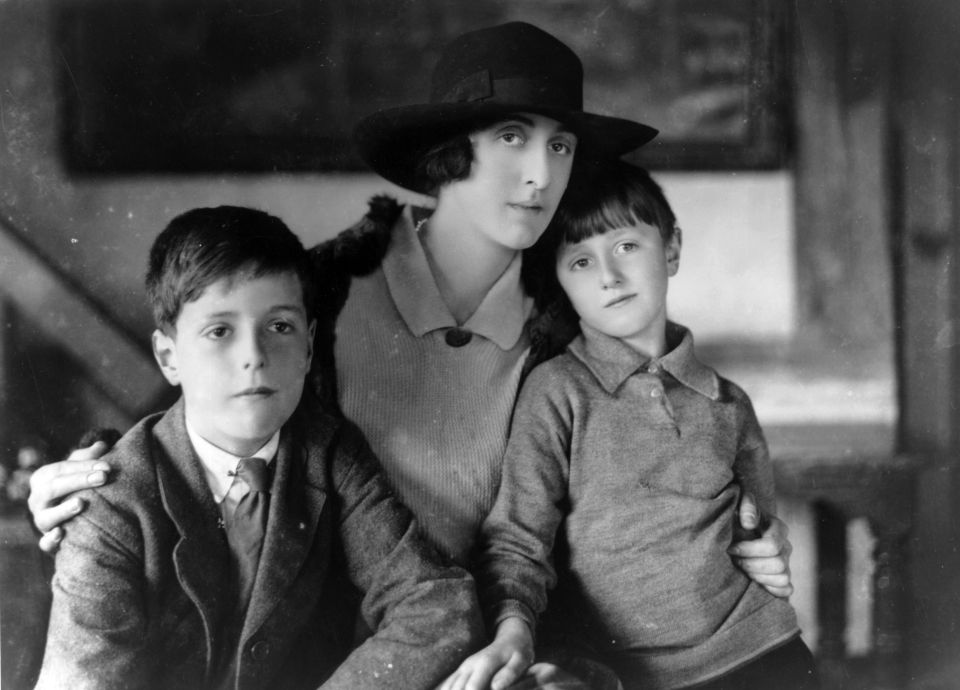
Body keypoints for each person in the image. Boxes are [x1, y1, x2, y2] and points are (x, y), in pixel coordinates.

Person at [28, 21, 794, 685]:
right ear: (447, 151)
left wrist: (750, 531)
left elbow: (648, 459)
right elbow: (215, 397)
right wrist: (88, 472)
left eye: (559, 145)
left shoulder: (569, 322)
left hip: (499, 646)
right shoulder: (330, 284)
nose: (540, 174)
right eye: (512, 138)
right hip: (333, 654)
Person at [34, 206, 483, 690]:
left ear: (309, 347)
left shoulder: (329, 452)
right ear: (168, 357)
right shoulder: (111, 500)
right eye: (219, 331)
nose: (254, 357)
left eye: (280, 327)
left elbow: (438, 605)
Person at [444, 162, 817, 690]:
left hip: (761, 650)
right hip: (629, 671)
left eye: (625, 246)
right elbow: (518, 540)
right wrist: (512, 632)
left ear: (671, 249)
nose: (608, 277)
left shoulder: (728, 402)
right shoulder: (557, 391)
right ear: (560, 282)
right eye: (580, 260)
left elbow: (759, 537)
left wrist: (766, 536)